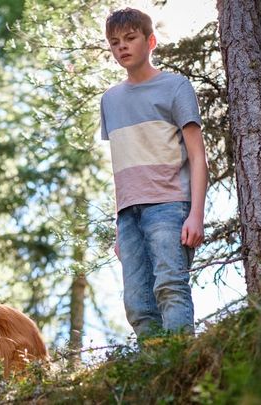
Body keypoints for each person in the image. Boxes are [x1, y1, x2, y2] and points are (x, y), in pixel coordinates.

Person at [100, 8, 208, 338]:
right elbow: (122, 162)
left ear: (151, 41)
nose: (122, 47)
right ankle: (154, 375)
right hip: (128, 215)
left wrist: (196, 215)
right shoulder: (110, 100)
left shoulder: (175, 87)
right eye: (115, 42)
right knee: (137, 304)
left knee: (170, 288)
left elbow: (198, 155)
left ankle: (181, 368)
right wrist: (119, 226)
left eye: (130, 38)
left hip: (170, 205)